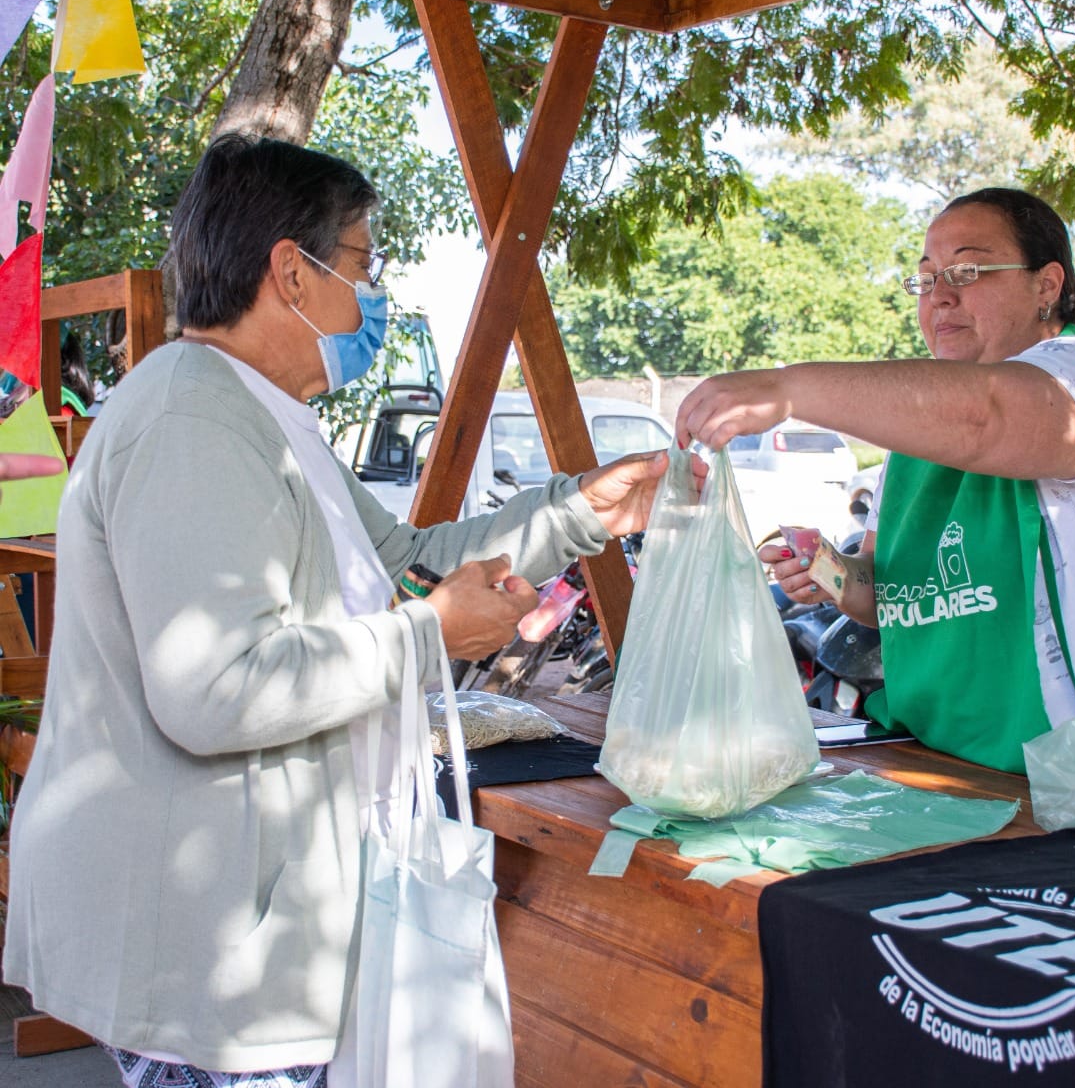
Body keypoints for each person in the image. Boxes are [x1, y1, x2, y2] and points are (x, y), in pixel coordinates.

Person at [2, 134, 692, 1087]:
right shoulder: (192, 421)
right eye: (361, 265)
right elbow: (217, 691)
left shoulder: (262, 415)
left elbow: (405, 564)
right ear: (292, 271)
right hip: (204, 948)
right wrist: (431, 632)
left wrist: (581, 512)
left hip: (253, 926)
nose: (371, 299)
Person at [677, 186, 1075, 773]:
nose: (938, 297)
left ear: (1047, 285)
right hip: (1001, 775)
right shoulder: (913, 450)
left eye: (966, 273)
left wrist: (789, 389)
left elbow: (987, 417)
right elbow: (883, 598)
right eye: (926, 278)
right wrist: (827, 570)